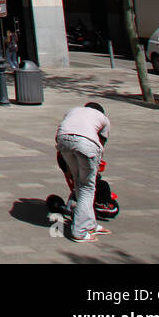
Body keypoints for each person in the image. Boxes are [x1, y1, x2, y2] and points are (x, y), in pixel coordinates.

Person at [56, 102, 111, 243]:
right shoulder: (103, 119)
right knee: (87, 188)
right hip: (85, 145)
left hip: (63, 142)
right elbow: (101, 142)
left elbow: (62, 128)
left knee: (80, 184)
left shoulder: (73, 110)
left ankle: (90, 225)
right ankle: (79, 232)